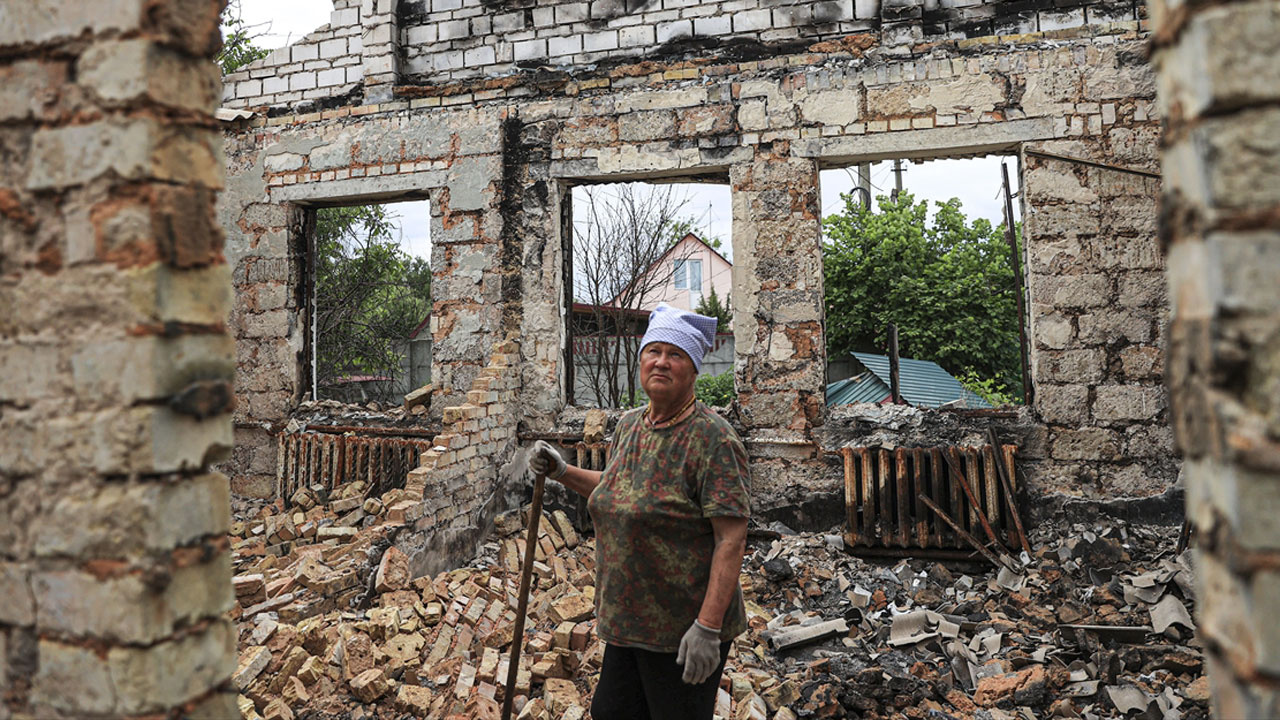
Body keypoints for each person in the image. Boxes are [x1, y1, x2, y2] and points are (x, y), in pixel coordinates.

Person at [530, 303, 751, 720]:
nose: (662, 362)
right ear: (641, 359)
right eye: (654, 351)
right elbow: (619, 491)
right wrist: (563, 471)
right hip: (627, 623)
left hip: (680, 631)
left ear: (693, 368)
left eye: (676, 354)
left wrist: (707, 626)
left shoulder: (713, 440)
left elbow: (731, 538)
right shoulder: (631, 425)